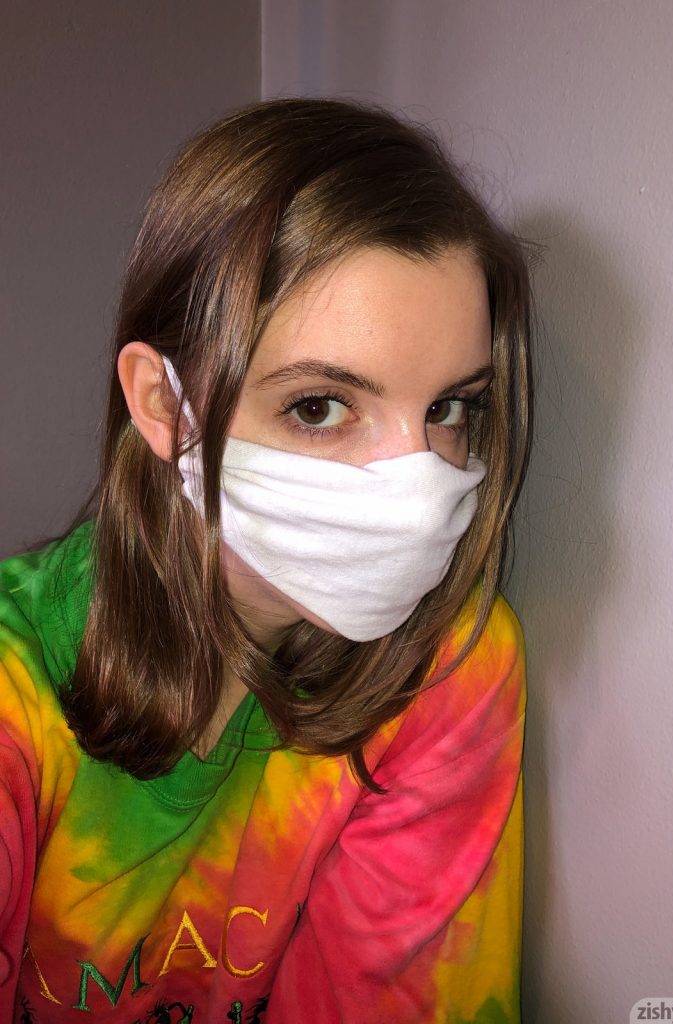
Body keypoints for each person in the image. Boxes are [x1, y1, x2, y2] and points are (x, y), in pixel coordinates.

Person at [0, 96, 534, 1023]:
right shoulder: (17, 691)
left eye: (448, 409)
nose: (416, 490)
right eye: (320, 407)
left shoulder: (446, 664)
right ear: (164, 408)